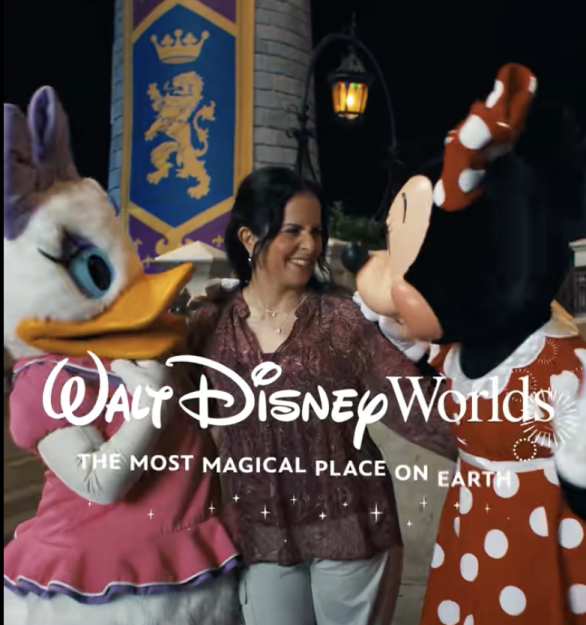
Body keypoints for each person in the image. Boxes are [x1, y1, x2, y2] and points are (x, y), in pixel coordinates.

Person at [348, 64, 586, 624]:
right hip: (471, 530)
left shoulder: (565, 364)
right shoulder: (456, 355)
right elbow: (413, 361)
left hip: (539, 544)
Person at [181, 166, 457, 625]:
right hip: (261, 535)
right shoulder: (210, 324)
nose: (310, 245)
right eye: (293, 231)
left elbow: (412, 409)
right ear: (249, 238)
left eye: (316, 231)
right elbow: (186, 421)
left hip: (353, 529)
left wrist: (506, 451)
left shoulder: (341, 320)